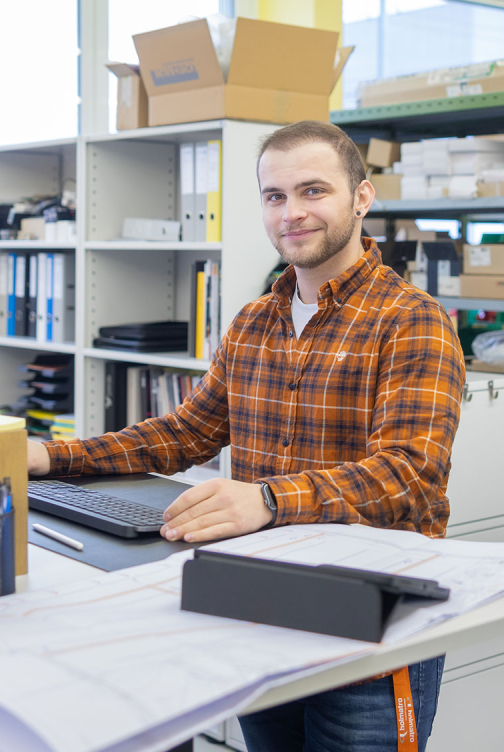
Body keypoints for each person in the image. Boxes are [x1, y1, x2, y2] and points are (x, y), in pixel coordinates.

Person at [27, 120, 465, 752]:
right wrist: (46, 455)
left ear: (361, 198)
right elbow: (184, 433)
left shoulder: (412, 321)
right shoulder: (255, 320)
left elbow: (408, 473)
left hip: (370, 619)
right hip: (261, 603)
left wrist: (264, 500)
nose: (292, 213)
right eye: (274, 196)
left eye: (314, 191)